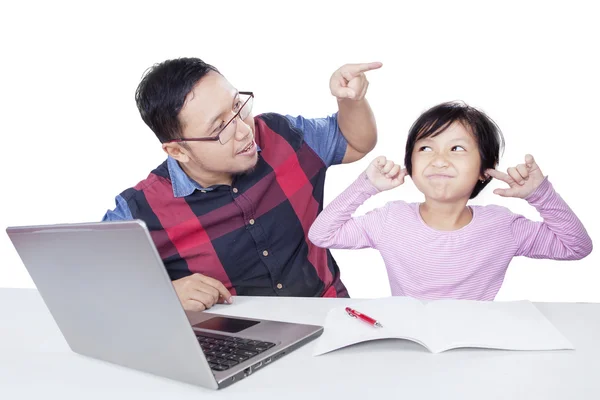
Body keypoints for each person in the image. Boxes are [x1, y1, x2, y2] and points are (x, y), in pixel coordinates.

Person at [102, 57, 382, 311]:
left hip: (330, 315)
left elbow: (356, 142)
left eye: (238, 106)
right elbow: (82, 282)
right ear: (178, 151)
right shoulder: (140, 210)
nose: (245, 130)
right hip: (236, 346)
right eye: (220, 128)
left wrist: (350, 100)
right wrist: (162, 294)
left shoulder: (281, 135)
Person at [308, 101, 593, 300]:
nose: (439, 160)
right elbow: (322, 234)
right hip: (408, 343)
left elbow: (576, 247)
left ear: (486, 169)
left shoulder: (502, 226)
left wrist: (540, 194)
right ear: (411, 163)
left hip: (473, 347)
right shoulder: (390, 219)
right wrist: (365, 186)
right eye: (426, 148)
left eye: (456, 148)